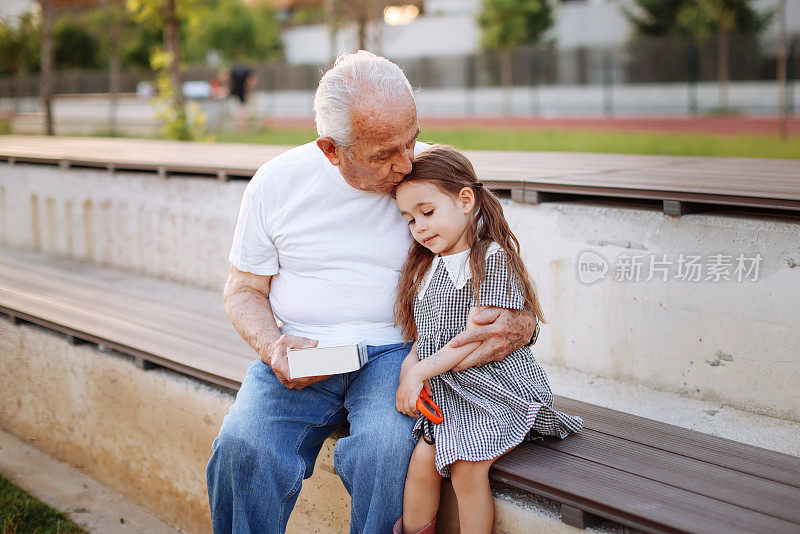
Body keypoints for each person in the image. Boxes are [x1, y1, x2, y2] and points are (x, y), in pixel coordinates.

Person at [206, 52, 537, 534]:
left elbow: (502, 274)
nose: (405, 164)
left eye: (411, 139)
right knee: (243, 445)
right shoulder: (275, 184)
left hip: (399, 354)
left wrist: (520, 323)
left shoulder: (436, 177)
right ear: (331, 150)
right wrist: (272, 347)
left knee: (384, 449)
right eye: (384, 153)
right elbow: (243, 290)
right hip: (303, 348)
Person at [391, 145, 583, 534]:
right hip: (451, 394)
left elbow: (477, 340)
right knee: (421, 464)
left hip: (496, 391)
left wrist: (421, 371)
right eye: (410, 220)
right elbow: (423, 338)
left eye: (427, 213)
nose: (420, 227)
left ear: (465, 200)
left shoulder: (490, 257)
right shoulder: (427, 267)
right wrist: (407, 373)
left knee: (466, 467)